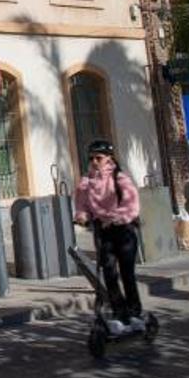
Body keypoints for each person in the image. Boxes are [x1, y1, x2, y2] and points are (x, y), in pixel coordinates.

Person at [74, 139, 143, 327]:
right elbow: (82, 204)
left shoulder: (120, 178)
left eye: (99, 157)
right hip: (103, 231)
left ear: (109, 158)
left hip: (124, 230)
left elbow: (132, 205)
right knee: (109, 273)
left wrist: (114, 218)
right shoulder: (86, 182)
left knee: (127, 273)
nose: (95, 161)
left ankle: (134, 311)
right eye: (92, 158)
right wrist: (82, 216)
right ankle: (119, 312)